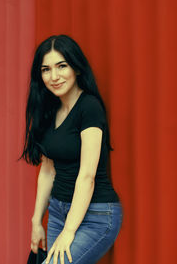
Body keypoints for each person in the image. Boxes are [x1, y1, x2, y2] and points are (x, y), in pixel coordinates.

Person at [20, 35, 123, 264]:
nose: (54, 76)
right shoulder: (48, 110)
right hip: (58, 212)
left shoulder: (89, 108)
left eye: (61, 66)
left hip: (96, 215)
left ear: (76, 68)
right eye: (46, 69)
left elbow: (87, 176)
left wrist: (69, 231)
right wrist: (36, 221)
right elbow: (48, 170)